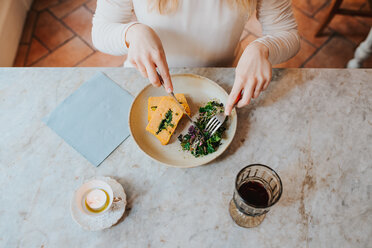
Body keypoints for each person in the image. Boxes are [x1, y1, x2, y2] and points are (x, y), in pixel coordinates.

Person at [92, 0, 300, 115]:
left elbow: (287, 32)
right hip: (146, 78)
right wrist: (132, 33)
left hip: (223, 85)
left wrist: (262, 48)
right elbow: (101, 30)